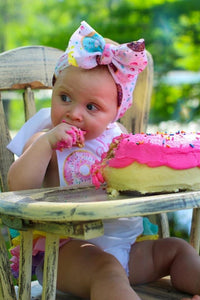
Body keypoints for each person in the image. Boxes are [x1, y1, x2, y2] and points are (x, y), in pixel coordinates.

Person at [7, 21, 200, 300]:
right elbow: (18, 186)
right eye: (64, 97)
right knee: (106, 270)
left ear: (115, 114)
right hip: (67, 250)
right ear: (53, 90)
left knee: (178, 250)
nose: (74, 113)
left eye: (91, 107)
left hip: (129, 247)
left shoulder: (119, 140)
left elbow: (142, 181)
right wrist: (46, 145)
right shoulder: (44, 138)